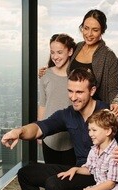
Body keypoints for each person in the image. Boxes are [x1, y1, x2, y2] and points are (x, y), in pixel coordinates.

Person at [40, 9, 118, 117]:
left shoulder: (109, 56)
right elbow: (63, 57)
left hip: (95, 115)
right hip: (74, 110)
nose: (89, 34)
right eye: (86, 28)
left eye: (95, 30)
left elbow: (113, 88)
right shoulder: (77, 47)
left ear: (102, 31)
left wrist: (116, 102)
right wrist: (48, 70)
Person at [38, 33, 76, 166]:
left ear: (70, 51)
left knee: (71, 180)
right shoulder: (45, 75)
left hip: (73, 138)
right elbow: (43, 104)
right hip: (49, 137)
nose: (55, 56)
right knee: (51, 177)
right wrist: (40, 130)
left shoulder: (78, 76)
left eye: (59, 52)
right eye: (52, 52)